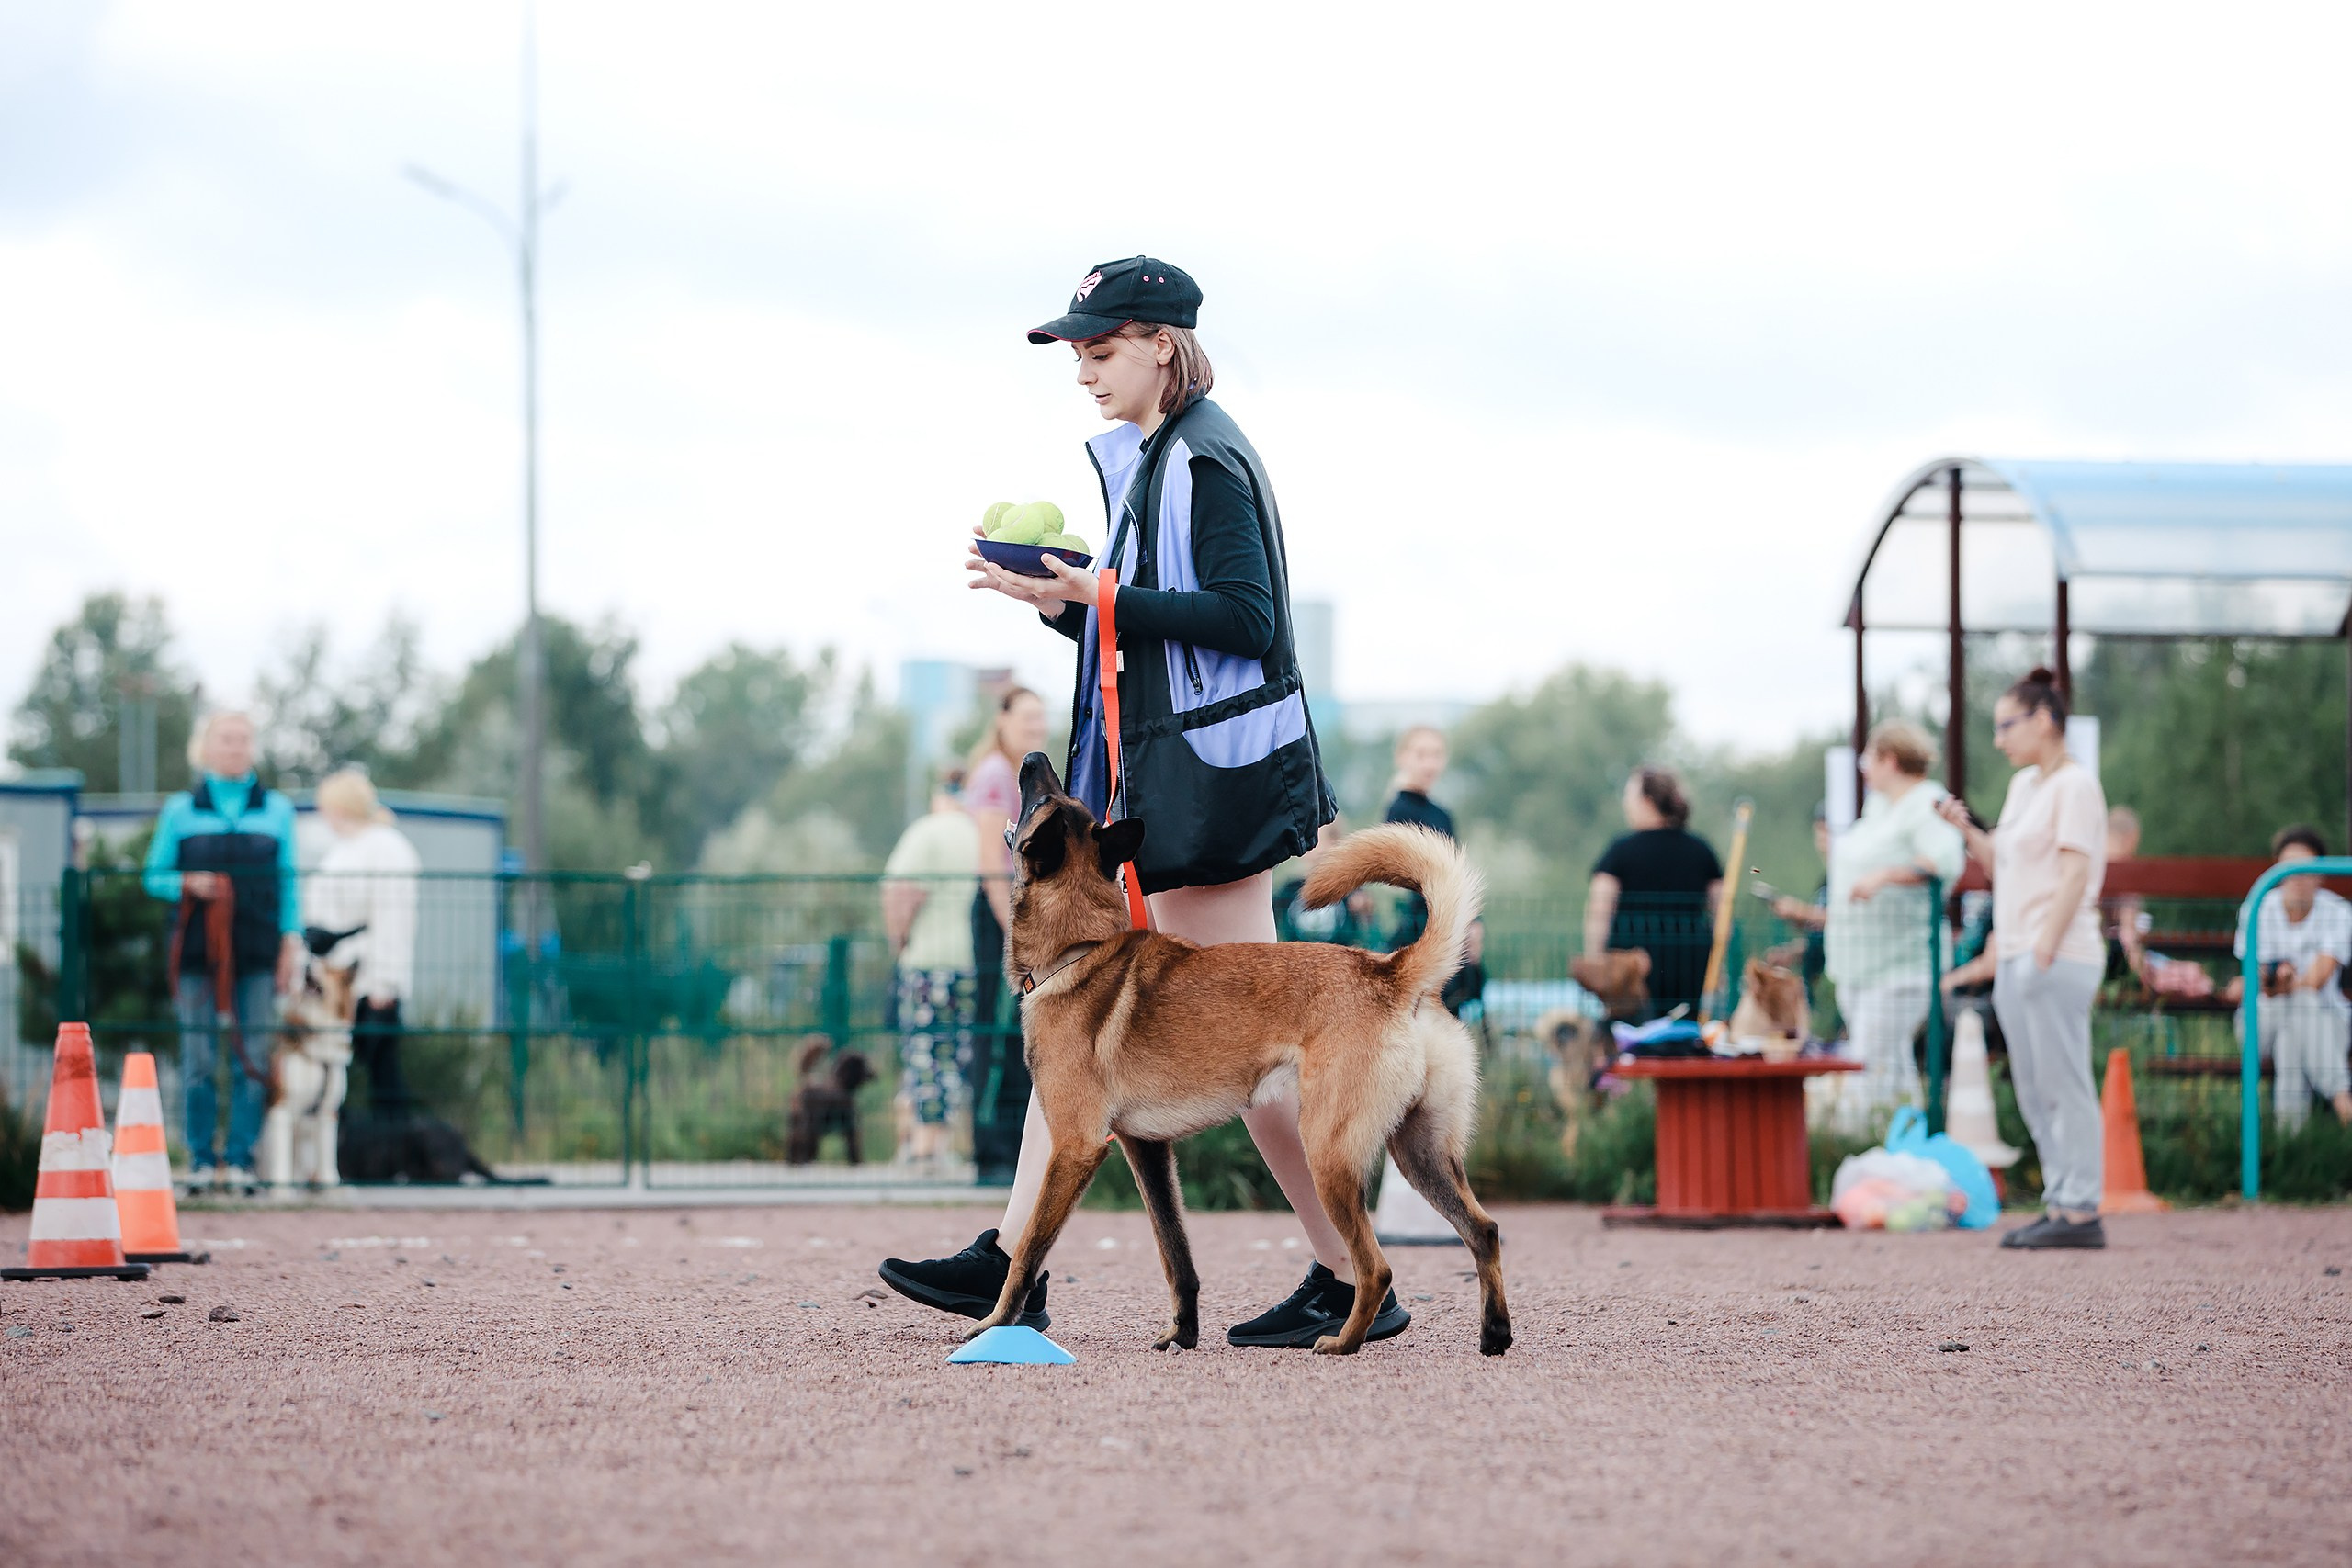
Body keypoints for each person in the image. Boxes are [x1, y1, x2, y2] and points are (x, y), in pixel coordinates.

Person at [884, 254, 1408, 1348]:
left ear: (1160, 343)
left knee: (1270, 1059)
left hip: (1210, 794)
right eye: (1077, 349)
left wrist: (1102, 591)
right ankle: (1011, 1258)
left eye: (1100, 346)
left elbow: (1247, 621)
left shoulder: (1204, 458)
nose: (1082, 367)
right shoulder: (1160, 457)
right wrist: (1060, 607)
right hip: (1173, 786)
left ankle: (1349, 1272)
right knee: (1076, 1022)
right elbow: (1149, 638)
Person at [1938, 667, 2109, 1249]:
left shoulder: (2075, 785)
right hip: (2019, 953)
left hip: (2054, 952)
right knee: (2035, 1086)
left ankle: (2081, 1206)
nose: (1999, 738)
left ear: (2044, 720)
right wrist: (1965, 828)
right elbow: (2003, 862)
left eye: (2007, 724)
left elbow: (2075, 871)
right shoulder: (2026, 787)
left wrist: (2044, 945)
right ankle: (2062, 1201)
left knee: (2065, 1081)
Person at [142, 710, 302, 1191]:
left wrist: (290, 941)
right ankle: (199, 1160)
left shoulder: (277, 810)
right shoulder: (180, 809)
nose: (235, 747)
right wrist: (187, 883)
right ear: (207, 748)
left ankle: (239, 1161)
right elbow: (153, 876)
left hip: (256, 952)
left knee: (251, 1055)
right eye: (226, 739)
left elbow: (289, 883)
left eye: (243, 739)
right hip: (196, 953)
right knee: (197, 1058)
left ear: (253, 747)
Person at [1822, 720, 1965, 1124]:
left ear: (1890, 759)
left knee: (1869, 1066)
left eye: (1869, 757)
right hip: (1862, 965)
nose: (1864, 766)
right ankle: (1906, 1146)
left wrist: (1885, 875)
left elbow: (1943, 862)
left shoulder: (1926, 804)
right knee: (1892, 1067)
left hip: (1899, 969)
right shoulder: (1881, 809)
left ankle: (1858, 1143)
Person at [961, 686, 1050, 1181]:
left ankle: (1013, 1148)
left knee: (1020, 1025)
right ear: (1004, 719)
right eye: (1027, 717)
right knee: (996, 1028)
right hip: (1002, 911)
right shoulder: (996, 773)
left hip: (1020, 911)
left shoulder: (1024, 770)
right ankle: (992, 1150)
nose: (1035, 725)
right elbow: (990, 862)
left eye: (1041, 717)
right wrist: (1012, 926)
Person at [304, 767, 422, 1116]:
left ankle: (394, 1153)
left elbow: (393, 918)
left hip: (369, 979)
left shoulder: (387, 848)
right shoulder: (344, 849)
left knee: (381, 1073)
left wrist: (385, 980)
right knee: (350, 1072)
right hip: (335, 978)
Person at [881, 772, 981, 1165]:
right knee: (958, 1056)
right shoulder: (979, 834)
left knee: (925, 1053)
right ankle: (943, 1144)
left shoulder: (926, 833)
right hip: (971, 964)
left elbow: (902, 892)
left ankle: (924, 1147)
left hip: (927, 962)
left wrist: (898, 941)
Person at [2225, 825, 2352, 1129]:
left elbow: (2316, 978)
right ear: (2276, 868)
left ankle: (2289, 1142)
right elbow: (2261, 979)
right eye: (2288, 868)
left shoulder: (2338, 912)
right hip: (2263, 1023)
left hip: (2322, 1021)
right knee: (2300, 1004)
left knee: (2291, 1035)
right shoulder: (2258, 908)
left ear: (2320, 873)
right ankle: (2343, 1101)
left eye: (2304, 868)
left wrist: (2277, 982)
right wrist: (2280, 982)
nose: (2295, 877)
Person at [1584, 766, 1723, 1019]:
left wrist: (1595, 961)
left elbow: (1600, 910)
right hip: (1690, 965)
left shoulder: (1620, 851)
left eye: (1629, 796)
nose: (1626, 804)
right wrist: (1721, 965)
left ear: (1647, 802)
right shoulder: (1701, 851)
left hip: (1632, 974)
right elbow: (1722, 915)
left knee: (1631, 1043)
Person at [1382, 725, 1483, 1014]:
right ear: (1403, 758)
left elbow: (1457, 871)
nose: (1429, 763)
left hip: (1448, 922)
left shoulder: (1442, 815)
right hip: (1419, 928)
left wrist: (1473, 922)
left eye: (1436, 755)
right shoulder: (1399, 810)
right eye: (1421, 754)